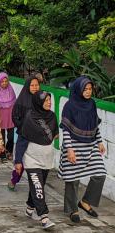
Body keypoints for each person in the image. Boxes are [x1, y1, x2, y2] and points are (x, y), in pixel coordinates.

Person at [58, 76, 106, 224]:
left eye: (90, 89)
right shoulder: (69, 106)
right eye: (85, 89)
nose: (88, 92)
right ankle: (73, 209)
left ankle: (85, 202)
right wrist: (70, 150)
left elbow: (94, 125)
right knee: (72, 179)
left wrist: (99, 142)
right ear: (78, 89)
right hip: (74, 147)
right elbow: (66, 130)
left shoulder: (91, 104)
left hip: (90, 147)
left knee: (100, 174)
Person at [14, 91, 58, 229]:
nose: (49, 103)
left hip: (46, 159)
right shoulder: (29, 117)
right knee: (38, 186)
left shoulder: (52, 116)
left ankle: (29, 207)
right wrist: (18, 161)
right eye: (46, 101)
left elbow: (55, 135)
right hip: (31, 159)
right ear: (38, 102)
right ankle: (44, 217)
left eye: (50, 100)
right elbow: (21, 141)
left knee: (38, 185)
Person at [8, 75, 41, 191]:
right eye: (32, 85)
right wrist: (24, 127)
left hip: (38, 136)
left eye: (37, 85)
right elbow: (15, 117)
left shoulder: (42, 99)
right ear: (27, 86)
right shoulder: (21, 100)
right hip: (24, 135)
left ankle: (36, 185)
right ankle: (14, 180)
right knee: (20, 160)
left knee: (35, 161)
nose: (35, 87)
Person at [0, 72, 16, 162]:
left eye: (6, 81)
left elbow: (15, 103)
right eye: (2, 82)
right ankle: (2, 153)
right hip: (0, 118)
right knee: (1, 137)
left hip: (10, 118)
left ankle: (9, 151)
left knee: (11, 137)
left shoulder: (11, 90)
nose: (4, 83)